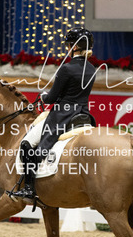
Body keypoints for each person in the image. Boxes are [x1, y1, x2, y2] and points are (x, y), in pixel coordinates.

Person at [11, 26, 96, 202]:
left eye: (69, 45)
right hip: (83, 114)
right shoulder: (92, 69)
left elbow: (51, 98)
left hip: (63, 114)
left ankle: (29, 188)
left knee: (27, 143)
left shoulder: (67, 69)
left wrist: (43, 96)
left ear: (74, 47)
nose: (68, 48)